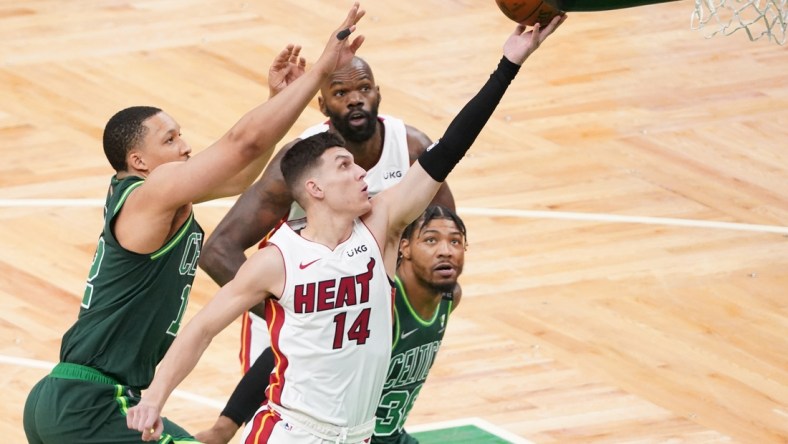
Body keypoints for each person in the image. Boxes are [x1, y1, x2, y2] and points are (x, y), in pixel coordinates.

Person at [127, 15, 566, 444]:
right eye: (345, 165)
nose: (361, 172)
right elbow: (201, 328)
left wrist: (508, 66)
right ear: (314, 188)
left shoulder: (382, 229)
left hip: (357, 436)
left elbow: (452, 145)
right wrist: (154, 399)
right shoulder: (276, 262)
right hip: (291, 431)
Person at [22, 4, 367, 444]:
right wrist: (321, 71)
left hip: (79, 399)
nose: (185, 147)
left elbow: (241, 174)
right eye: (170, 139)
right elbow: (243, 145)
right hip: (91, 403)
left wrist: (275, 101)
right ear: (138, 161)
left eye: (181, 134)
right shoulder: (150, 192)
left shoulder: (157, 200)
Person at [198, 55, 456, 374]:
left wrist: (420, 298)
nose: (355, 99)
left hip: (361, 319)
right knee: (265, 419)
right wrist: (292, 315)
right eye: (341, 93)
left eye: (363, 88)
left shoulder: (411, 147)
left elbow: (446, 235)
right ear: (322, 105)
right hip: (294, 323)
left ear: (378, 93)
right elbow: (217, 252)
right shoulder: (298, 162)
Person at [194, 205, 467, 444]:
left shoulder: (448, 298)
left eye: (456, 242)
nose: (446, 251)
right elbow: (275, 359)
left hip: (390, 434)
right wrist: (224, 427)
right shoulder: (380, 304)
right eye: (431, 240)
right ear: (404, 247)